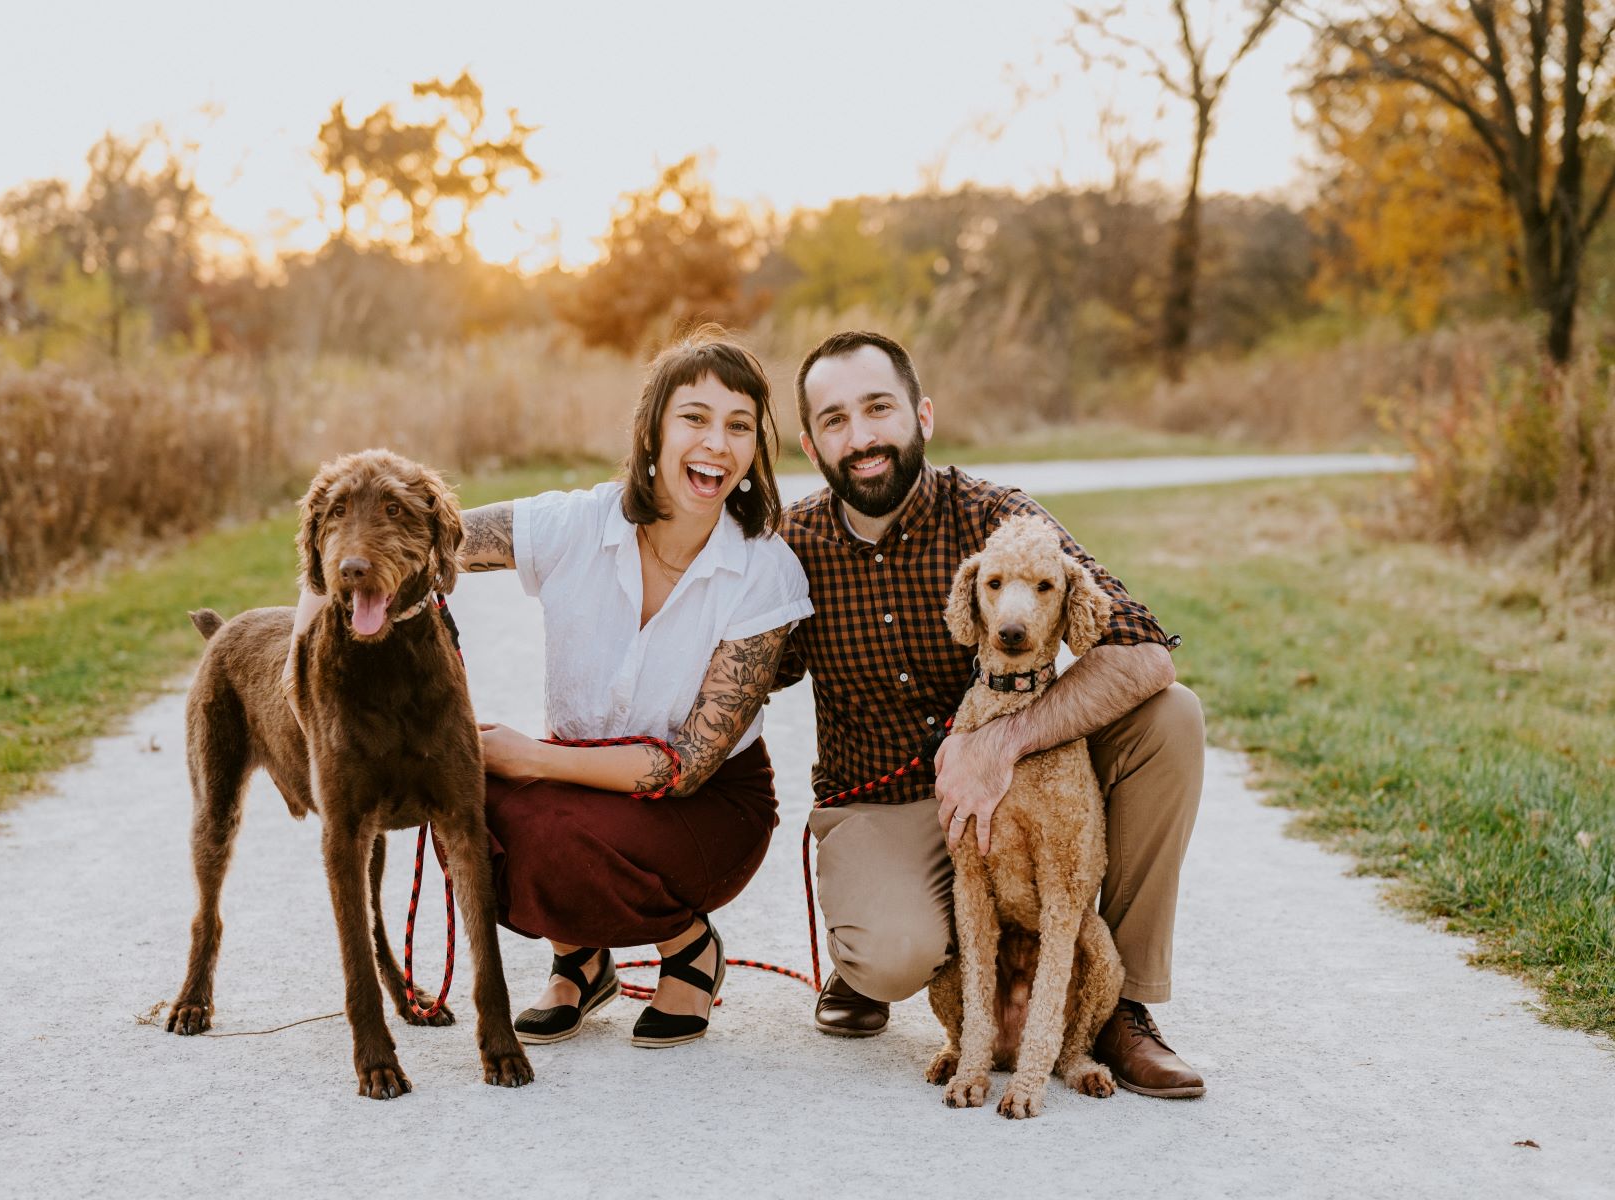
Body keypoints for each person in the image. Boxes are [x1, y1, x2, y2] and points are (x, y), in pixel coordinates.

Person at [283, 328, 810, 1049]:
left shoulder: (763, 570)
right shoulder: (579, 523)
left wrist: (532, 757)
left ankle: (689, 947)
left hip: (711, 807)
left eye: (738, 426)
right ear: (652, 432)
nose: (715, 443)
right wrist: (316, 610)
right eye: (694, 418)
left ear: (755, 451)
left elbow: (686, 763)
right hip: (583, 786)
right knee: (460, 800)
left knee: (556, 830)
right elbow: (429, 538)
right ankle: (583, 960)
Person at [775, 330, 1206, 1099]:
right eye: (835, 420)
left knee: (1171, 717)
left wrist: (1002, 741)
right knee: (893, 950)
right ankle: (878, 961)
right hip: (889, 800)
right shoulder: (793, 544)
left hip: (1026, 770)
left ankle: (1121, 1005)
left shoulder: (996, 518)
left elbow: (1147, 652)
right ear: (811, 444)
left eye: (880, 408)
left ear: (923, 415)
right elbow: (728, 670)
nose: (863, 436)